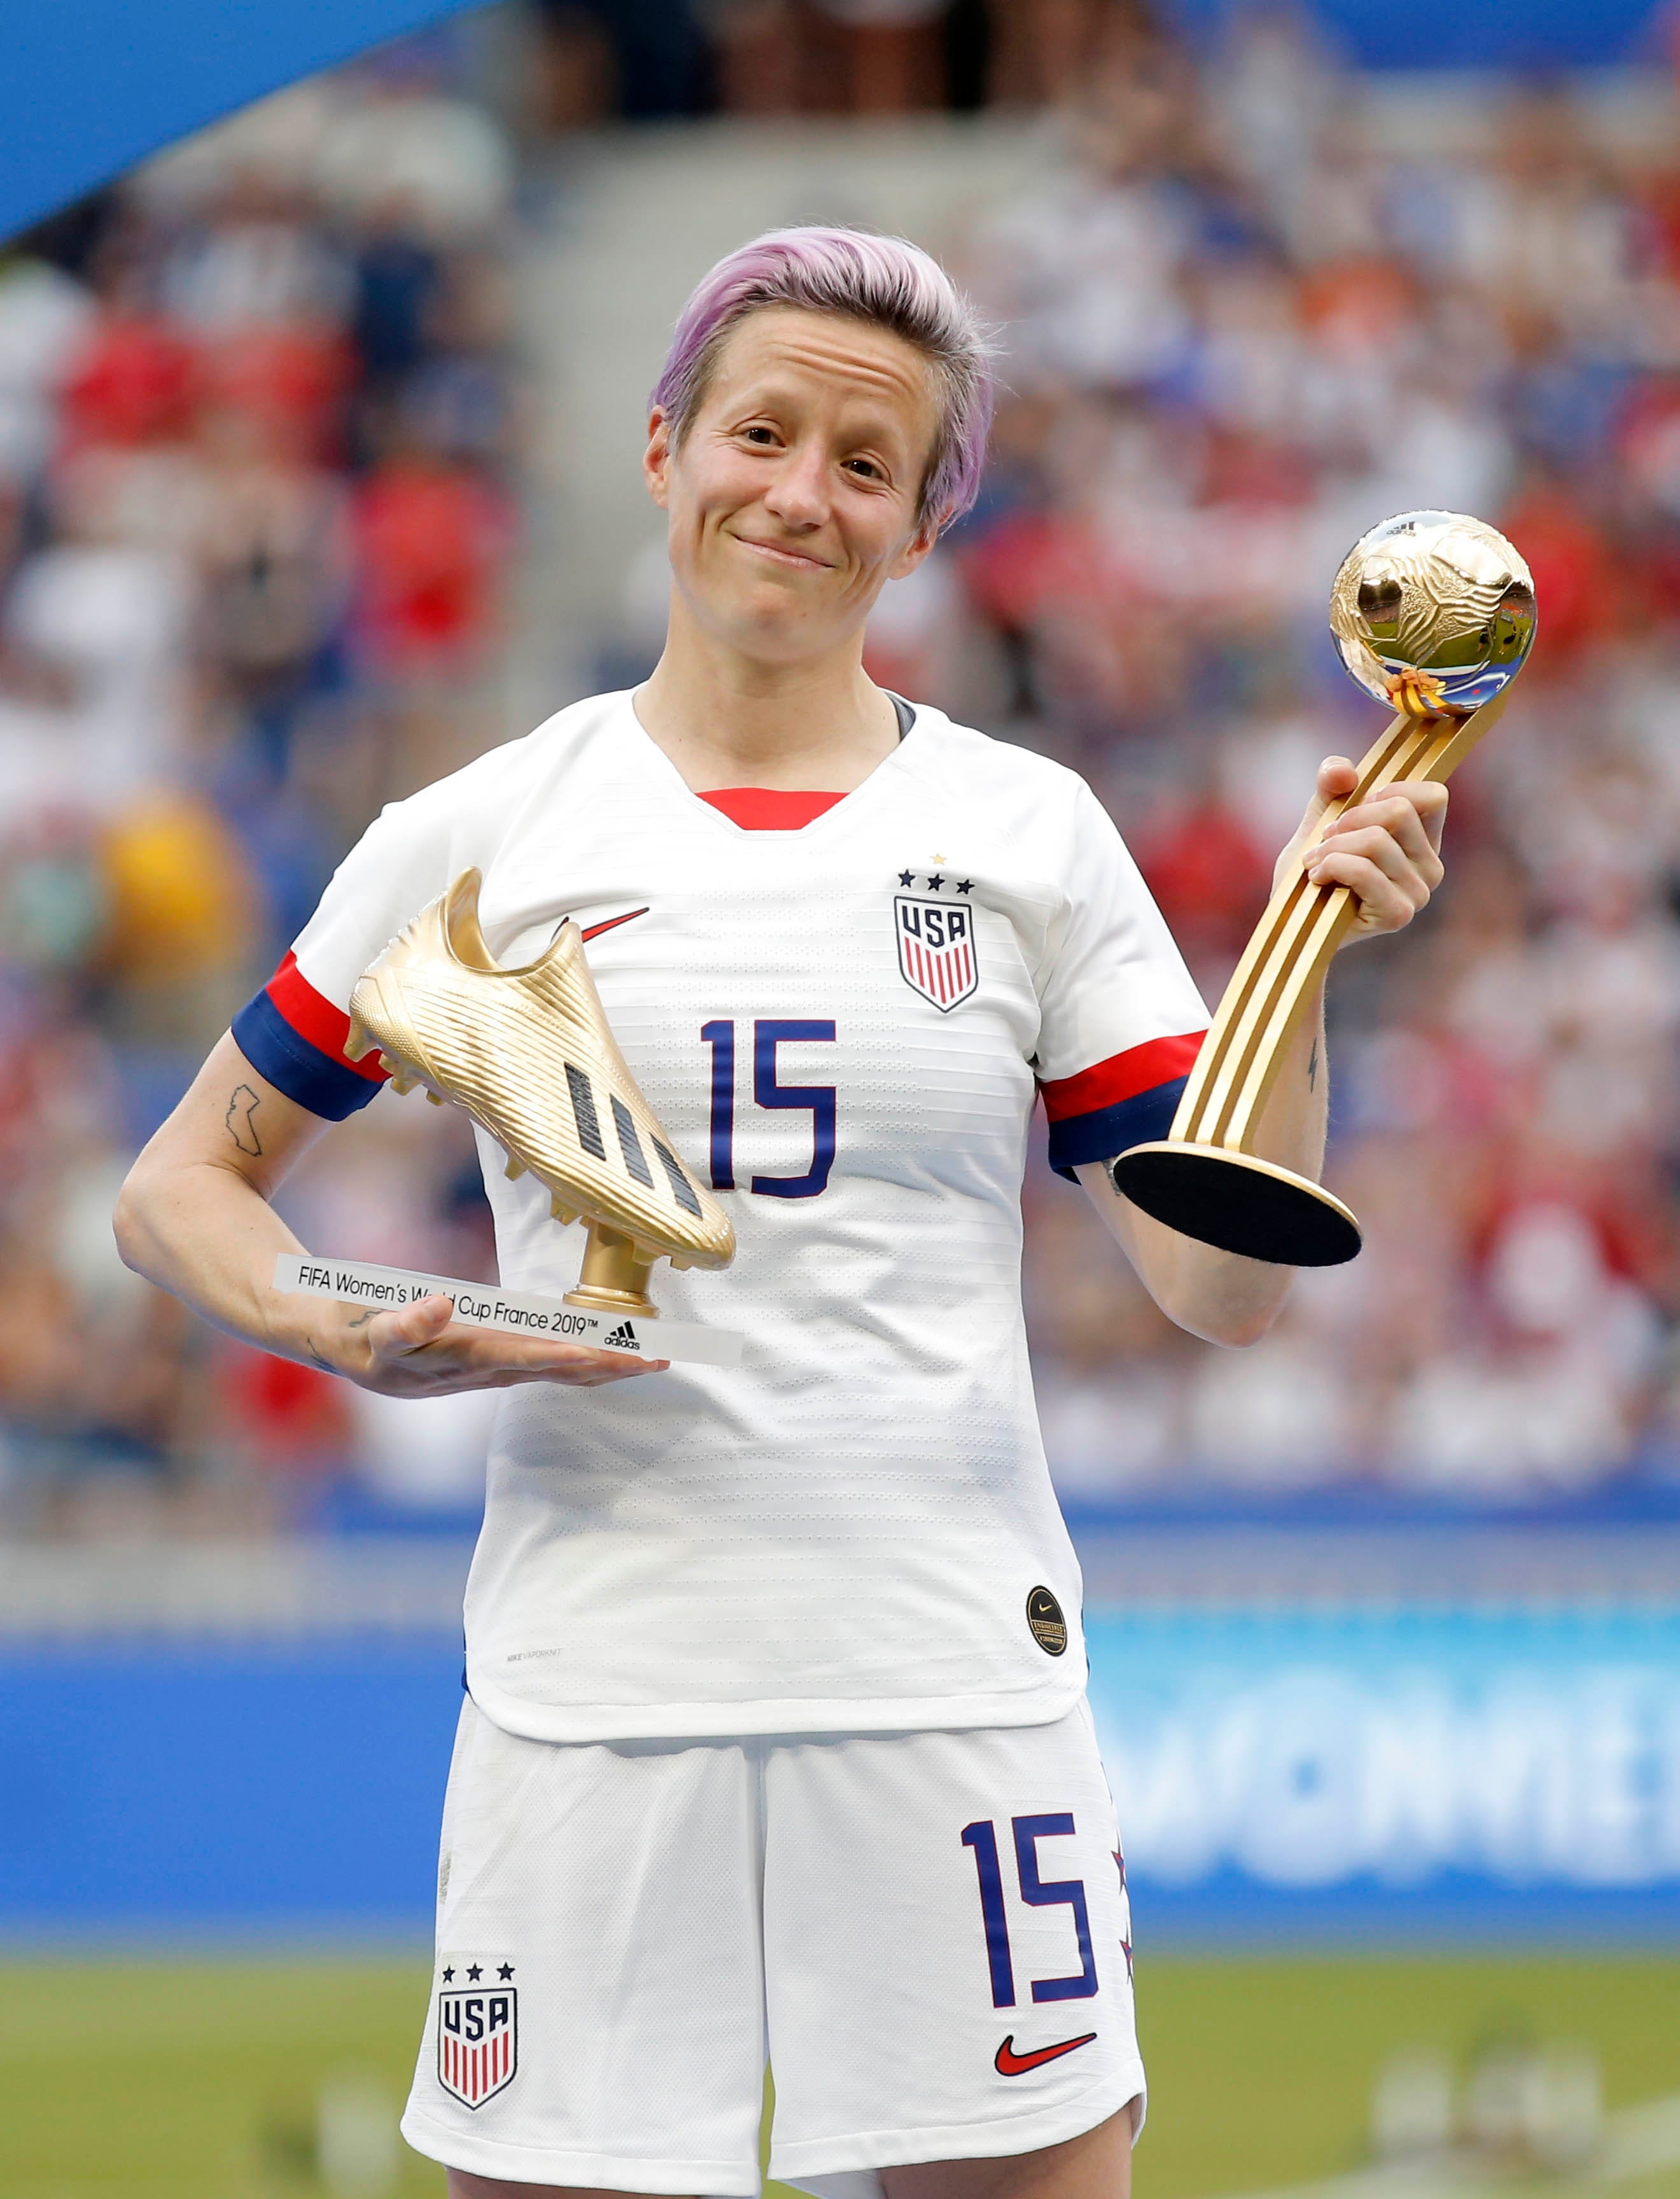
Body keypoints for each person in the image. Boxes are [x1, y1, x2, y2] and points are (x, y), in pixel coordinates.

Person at [115, 227, 1447, 2199]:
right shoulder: (478, 837)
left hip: (948, 1680)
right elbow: (175, 1192)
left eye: (863, 464)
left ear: (917, 531)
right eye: (761, 431)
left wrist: (1314, 947)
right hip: (594, 1691)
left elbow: (1221, 1292)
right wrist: (336, 1313)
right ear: (661, 450)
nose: (798, 493)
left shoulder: (1028, 837)